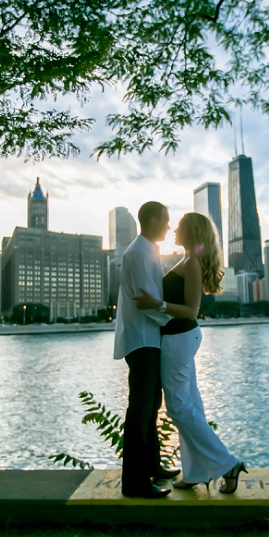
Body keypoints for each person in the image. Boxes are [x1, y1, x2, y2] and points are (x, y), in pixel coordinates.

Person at [134, 212, 247, 494]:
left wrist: (155, 304)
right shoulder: (186, 260)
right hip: (179, 338)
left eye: (180, 226)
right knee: (191, 405)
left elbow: (191, 310)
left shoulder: (192, 264)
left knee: (179, 407)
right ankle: (196, 471)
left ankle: (227, 463)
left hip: (180, 338)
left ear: (192, 232)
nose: (174, 229)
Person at [113, 201, 179, 499]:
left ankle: (153, 466)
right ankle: (135, 483)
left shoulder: (147, 250)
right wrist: (175, 316)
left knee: (152, 406)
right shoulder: (139, 253)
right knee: (140, 411)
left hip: (147, 338)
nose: (169, 226)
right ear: (153, 220)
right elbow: (146, 300)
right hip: (142, 340)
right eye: (166, 220)